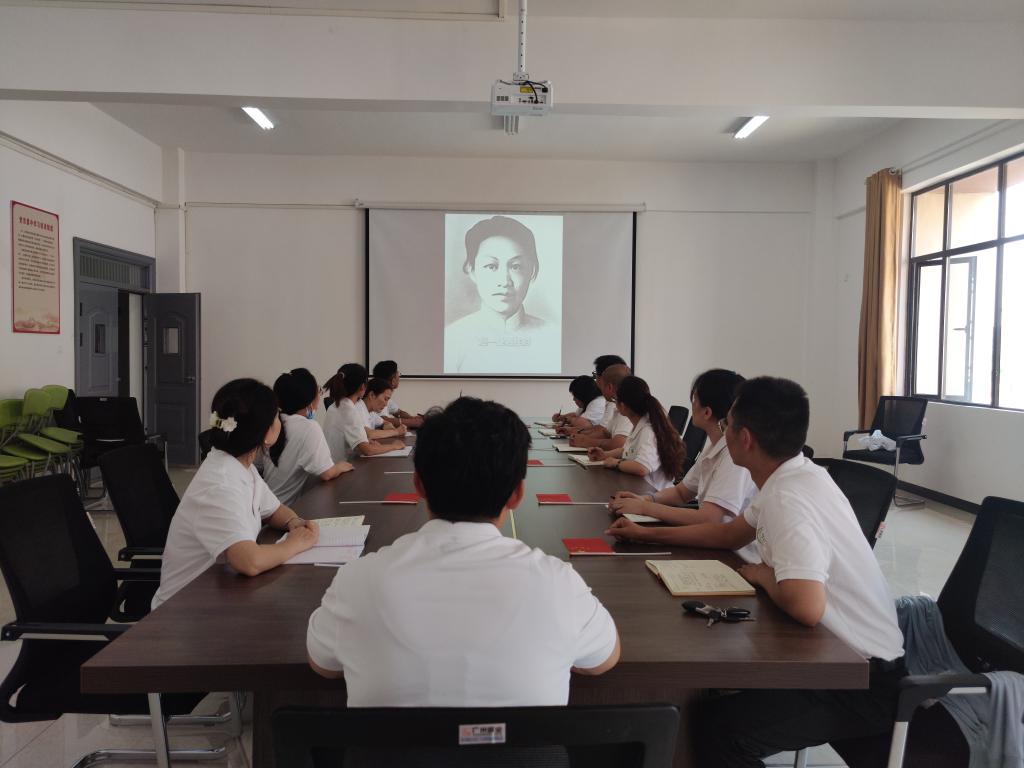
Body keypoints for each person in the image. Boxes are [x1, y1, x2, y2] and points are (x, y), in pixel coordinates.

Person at [607, 377, 906, 766]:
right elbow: (729, 534)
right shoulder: (793, 475)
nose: (723, 432)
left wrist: (763, 574)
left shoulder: (788, 496)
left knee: (719, 730)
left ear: (744, 438)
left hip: (858, 678)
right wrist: (645, 534)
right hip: (834, 652)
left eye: (728, 424)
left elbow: (806, 606)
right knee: (709, 696)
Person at [306, 396, 620, 706]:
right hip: (524, 743)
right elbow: (603, 660)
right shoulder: (560, 584)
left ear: (419, 485)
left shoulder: (356, 581)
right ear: (516, 495)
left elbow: (323, 665)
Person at [152, 378, 319, 609]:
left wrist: (293, 522)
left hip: (216, 594)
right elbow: (249, 562)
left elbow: (273, 510)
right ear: (266, 433)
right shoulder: (220, 483)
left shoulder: (242, 466)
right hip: (181, 613)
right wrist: (294, 544)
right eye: (276, 416)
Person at [608, 369, 759, 561]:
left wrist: (644, 508)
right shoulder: (715, 447)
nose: (692, 404)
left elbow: (708, 518)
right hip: (711, 544)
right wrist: (646, 499)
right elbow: (681, 493)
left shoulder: (733, 456)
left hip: (733, 557)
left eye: (694, 399)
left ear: (707, 412)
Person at [444, 216, 560, 374]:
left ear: (532, 272)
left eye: (516, 266)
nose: (504, 281)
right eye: (491, 266)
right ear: (472, 271)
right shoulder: (452, 339)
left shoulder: (553, 337)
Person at [260, 368, 353, 507]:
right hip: (285, 509)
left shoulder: (274, 422)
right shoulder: (309, 427)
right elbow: (327, 473)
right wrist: (341, 466)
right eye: (318, 390)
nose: (320, 394)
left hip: (266, 506)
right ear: (309, 400)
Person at [586, 375, 684, 490]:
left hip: (653, 493)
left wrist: (616, 463)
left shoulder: (648, 431)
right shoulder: (639, 425)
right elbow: (628, 450)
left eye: (615, 400)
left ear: (623, 406)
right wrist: (605, 455)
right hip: (639, 488)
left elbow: (642, 468)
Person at [322, 364, 405, 459]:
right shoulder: (350, 410)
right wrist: (394, 446)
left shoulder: (335, 406)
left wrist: (366, 441)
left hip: (334, 463)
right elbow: (367, 450)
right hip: (345, 465)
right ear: (362, 387)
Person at [568, 363, 633, 450]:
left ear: (609, 387)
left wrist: (587, 442)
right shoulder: (617, 407)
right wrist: (579, 434)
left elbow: (619, 444)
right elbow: (605, 433)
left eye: (601, 385)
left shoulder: (627, 409)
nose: (599, 389)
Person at [371, 360, 423, 428]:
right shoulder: (378, 396)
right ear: (393, 381)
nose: (386, 404)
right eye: (398, 375)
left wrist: (413, 418)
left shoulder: (385, 396)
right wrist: (412, 422)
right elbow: (382, 420)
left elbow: (398, 412)